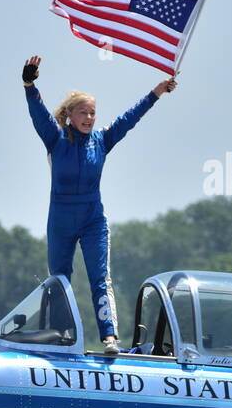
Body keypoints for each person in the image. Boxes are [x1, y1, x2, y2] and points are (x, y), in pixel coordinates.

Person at [21, 54, 176, 354]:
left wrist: (156, 92)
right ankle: (58, 336)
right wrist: (29, 84)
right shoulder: (55, 139)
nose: (90, 118)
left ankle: (109, 337)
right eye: (84, 112)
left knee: (99, 277)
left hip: (93, 219)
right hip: (61, 219)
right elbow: (37, 113)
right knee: (59, 279)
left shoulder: (103, 140)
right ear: (70, 115)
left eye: (93, 113)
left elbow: (130, 118)